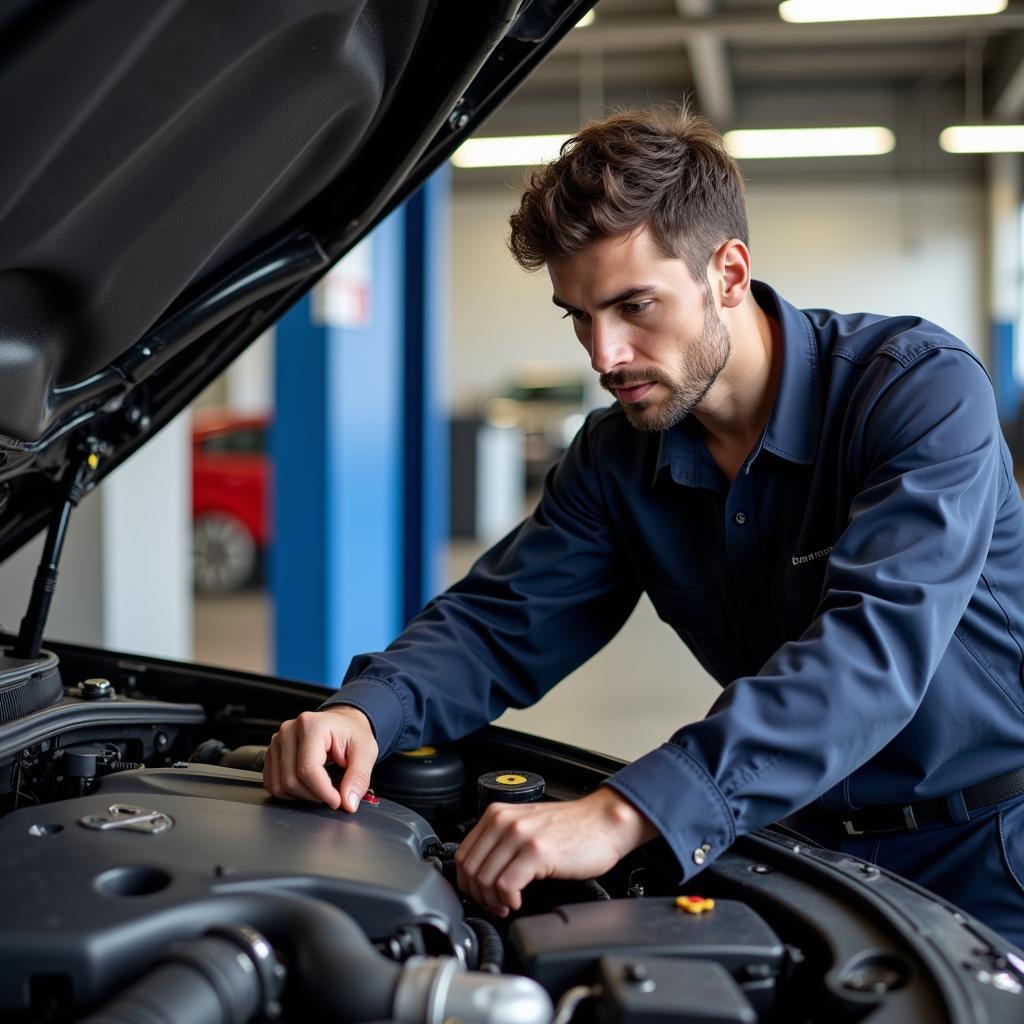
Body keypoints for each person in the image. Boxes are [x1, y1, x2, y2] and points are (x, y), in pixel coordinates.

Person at [263, 106, 1024, 946]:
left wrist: (631, 808)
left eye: (633, 306)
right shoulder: (619, 457)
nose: (604, 355)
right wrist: (370, 711)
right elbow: (502, 621)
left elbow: (873, 652)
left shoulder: (916, 393)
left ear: (728, 273)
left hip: (989, 848)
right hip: (796, 843)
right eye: (580, 316)